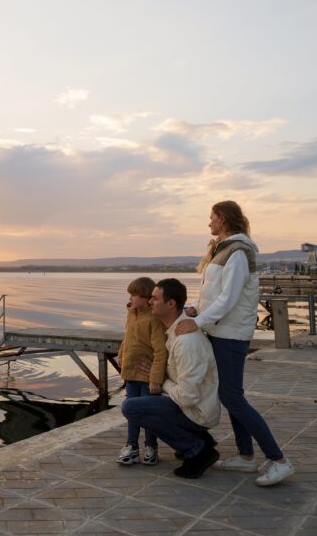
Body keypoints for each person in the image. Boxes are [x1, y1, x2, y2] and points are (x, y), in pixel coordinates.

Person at [176, 200, 296, 486]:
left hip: (230, 334)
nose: (209, 223)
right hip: (219, 331)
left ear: (224, 219)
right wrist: (196, 308)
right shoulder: (223, 249)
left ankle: (279, 460)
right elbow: (213, 293)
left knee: (233, 397)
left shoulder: (238, 252)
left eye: (212, 218)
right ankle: (245, 457)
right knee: (230, 395)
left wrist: (199, 321)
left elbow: (229, 298)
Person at [121, 278, 220, 479]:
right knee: (142, 404)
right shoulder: (175, 330)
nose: (150, 302)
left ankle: (198, 449)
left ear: (171, 304)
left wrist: (160, 380)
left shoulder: (186, 343)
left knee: (131, 408)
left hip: (196, 412)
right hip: (194, 406)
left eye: (155, 299)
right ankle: (200, 439)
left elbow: (187, 397)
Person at [115, 277, 168, 466]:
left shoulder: (154, 320)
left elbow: (160, 351)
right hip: (130, 374)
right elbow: (127, 337)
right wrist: (121, 353)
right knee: (132, 412)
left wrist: (155, 380)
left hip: (146, 377)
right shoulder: (131, 313)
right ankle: (131, 446)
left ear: (147, 298)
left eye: (134, 295)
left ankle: (151, 446)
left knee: (147, 414)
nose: (130, 298)